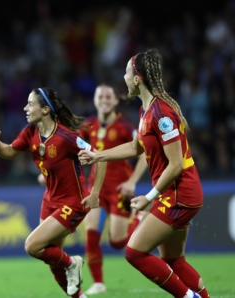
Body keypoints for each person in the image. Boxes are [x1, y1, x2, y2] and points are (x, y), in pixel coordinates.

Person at [78, 48, 209, 298]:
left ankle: (187, 297)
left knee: (134, 252)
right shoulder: (145, 111)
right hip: (174, 192)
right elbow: (134, 147)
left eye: (127, 73)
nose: (124, 78)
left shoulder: (162, 115)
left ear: (137, 79)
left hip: (180, 193)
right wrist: (98, 155)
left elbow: (176, 165)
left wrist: (149, 197)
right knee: (174, 260)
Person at [0, 87, 107, 298]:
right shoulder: (30, 132)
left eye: (30, 104)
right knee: (52, 260)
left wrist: (95, 192)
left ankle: (72, 262)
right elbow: (8, 152)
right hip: (50, 200)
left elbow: (100, 158)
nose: (25, 108)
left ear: (44, 110)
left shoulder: (66, 137)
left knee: (33, 246)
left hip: (73, 202)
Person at [79, 84, 148, 295]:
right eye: (100, 96)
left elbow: (144, 153)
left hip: (119, 189)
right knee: (91, 234)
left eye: (109, 96)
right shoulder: (88, 125)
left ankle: (138, 218)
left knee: (118, 242)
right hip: (97, 189)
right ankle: (98, 282)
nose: (105, 99)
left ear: (116, 101)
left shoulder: (125, 126)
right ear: (95, 100)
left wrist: (132, 181)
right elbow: (72, 147)